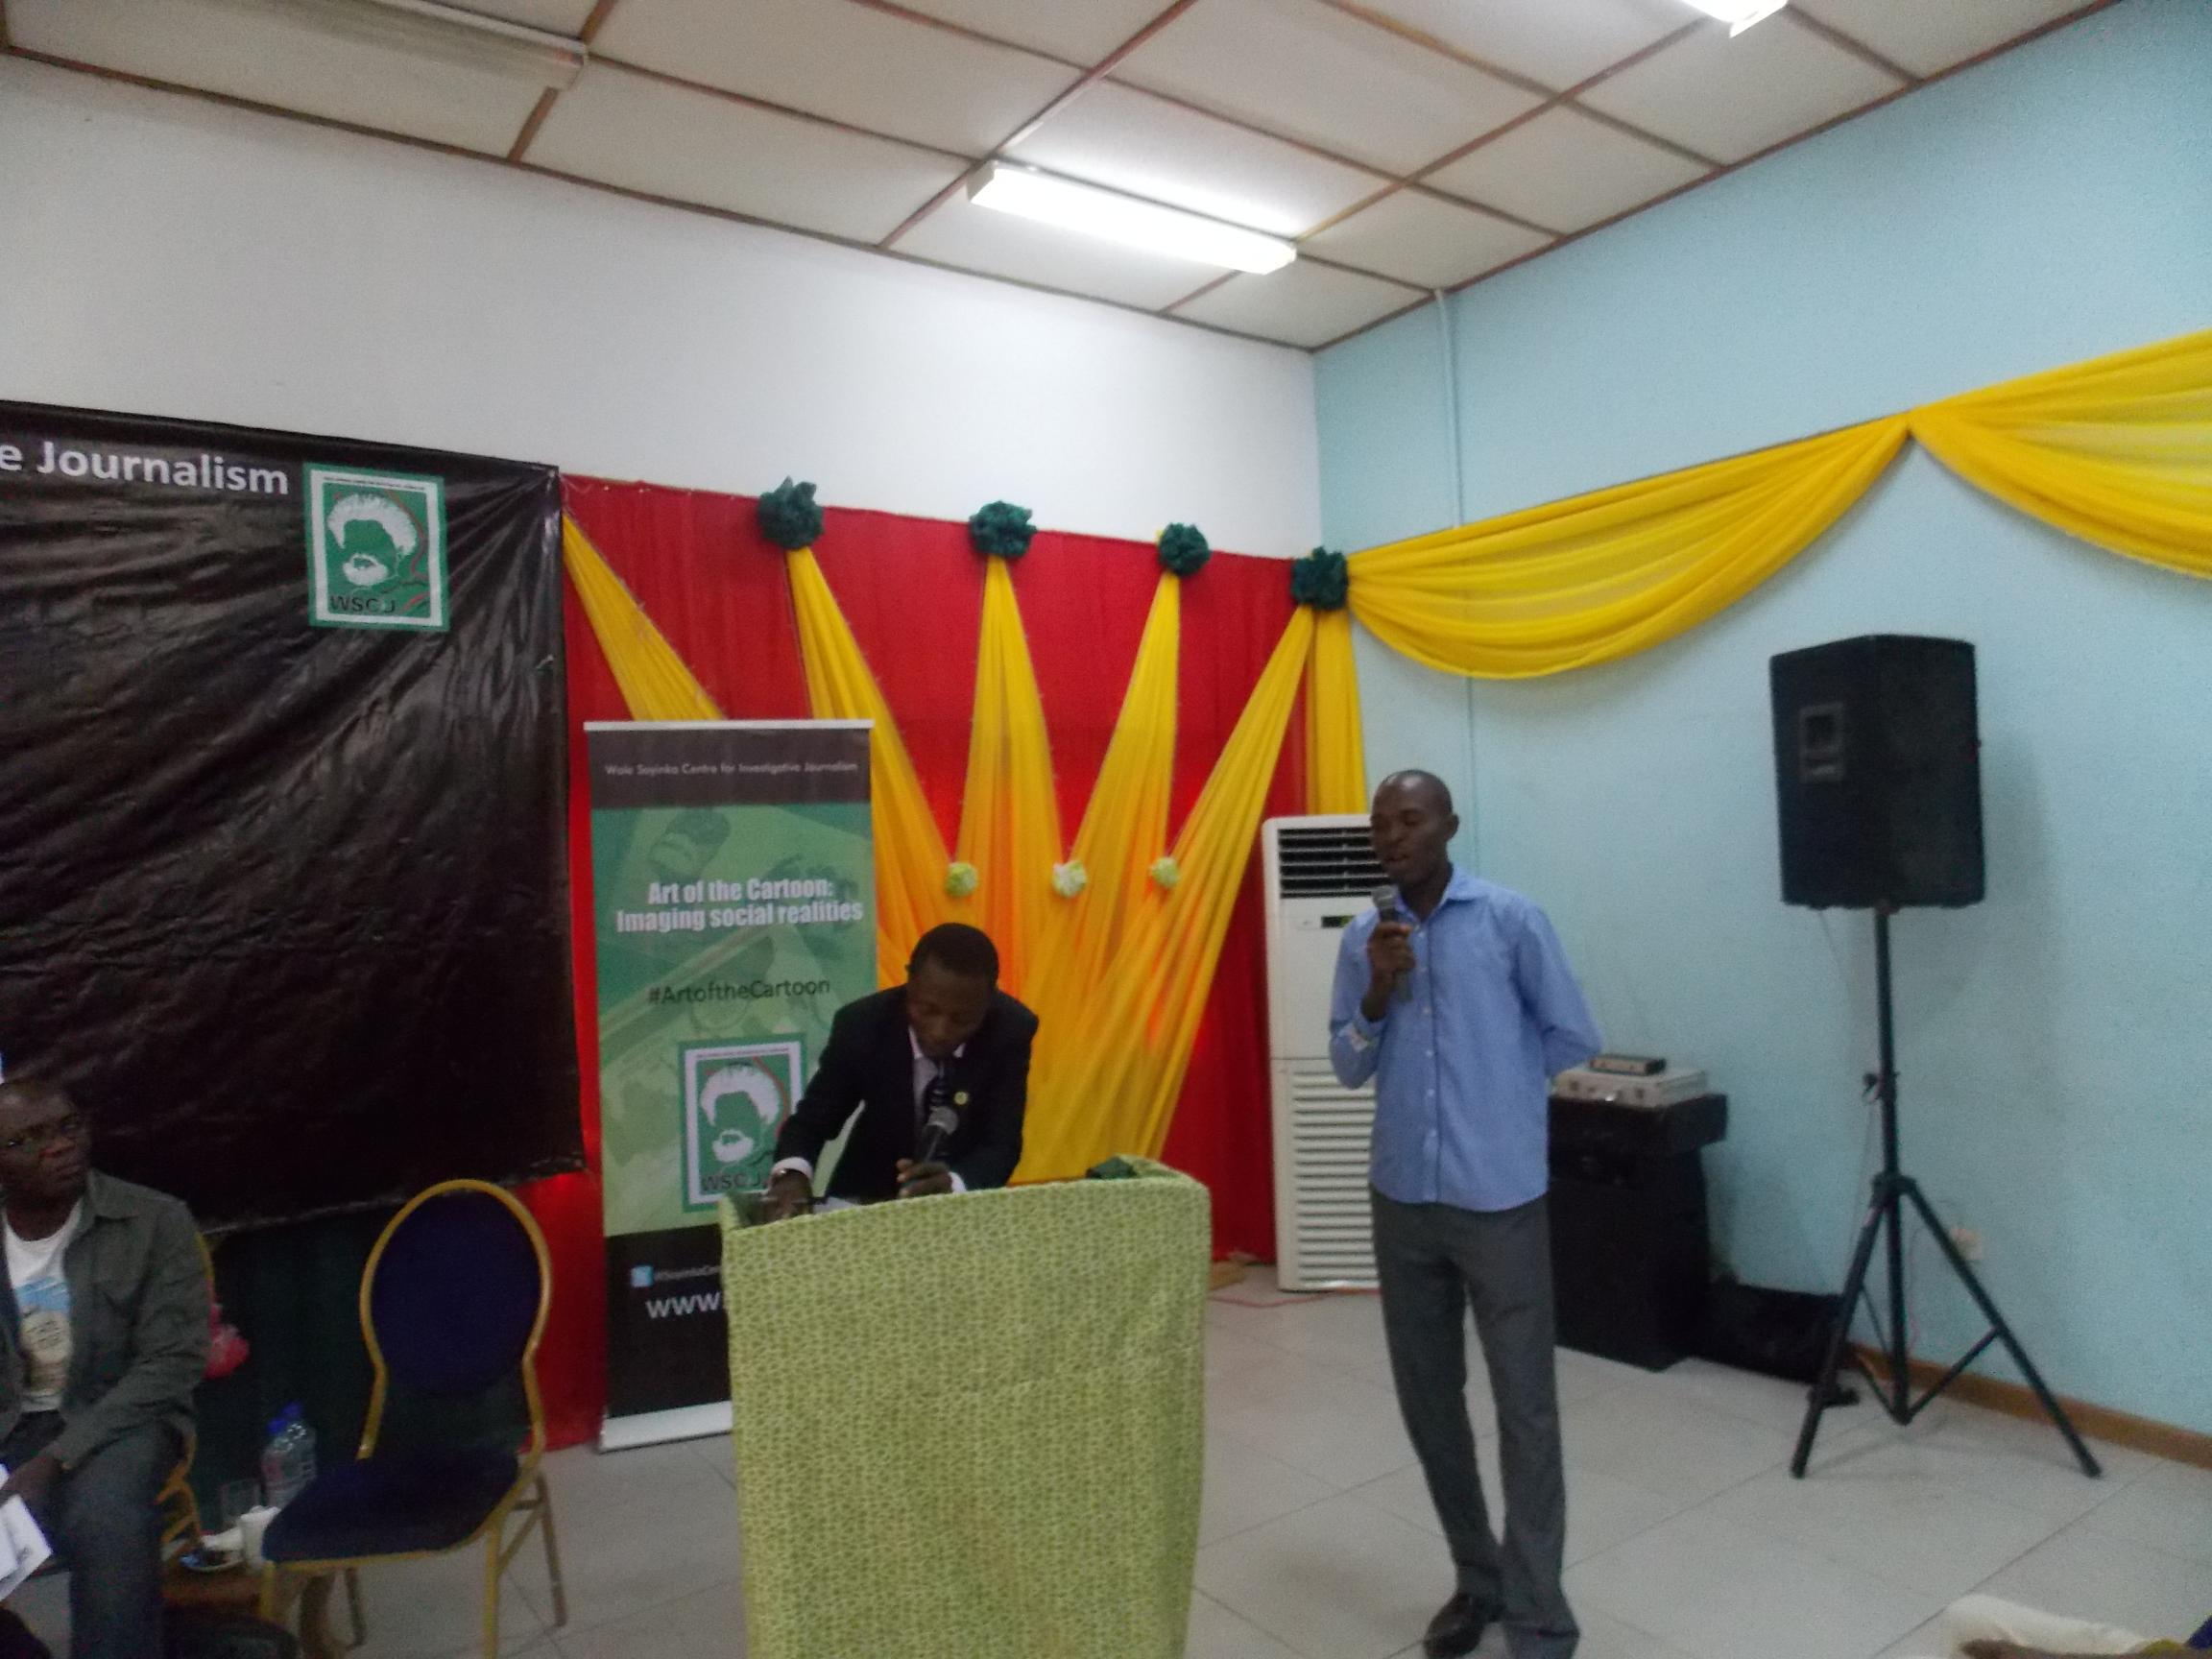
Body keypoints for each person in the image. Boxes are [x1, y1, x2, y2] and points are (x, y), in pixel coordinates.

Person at [1329, 772, 1600, 1659]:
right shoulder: (1366, 937)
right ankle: (1477, 1578)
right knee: (1429, 1403)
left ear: (1450, 825)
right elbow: (1347, 1063)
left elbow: (1572, 1034)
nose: (1392, 837)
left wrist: (1501, 1101)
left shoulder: (1511, 920)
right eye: (1381, 824)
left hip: (1499, 1201)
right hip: (1403, 1199)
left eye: (1410, 820)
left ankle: (1539, 1615)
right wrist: (1377, 992)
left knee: (1526, 1410)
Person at [0, 1077, 209, 1659]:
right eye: (26, 1140)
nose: (59, 1147)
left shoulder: (153, 1220)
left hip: (120, 1417)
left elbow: (171, 1361)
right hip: (12, 1425)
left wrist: (53, 1460)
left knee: (106, 1519)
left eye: (68, 1128)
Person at [761, 924, 1036, 1218]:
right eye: (927, 1010)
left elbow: (1001, 1144)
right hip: (867, 1195)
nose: (940, 1031)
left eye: (962, 1020)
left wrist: (954, 1186)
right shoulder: (862, 1026)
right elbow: (812, 1122)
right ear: (910, 983)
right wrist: (792, 1173)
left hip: (963, 1204)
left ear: (988, 1000)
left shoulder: (1010, 1030)